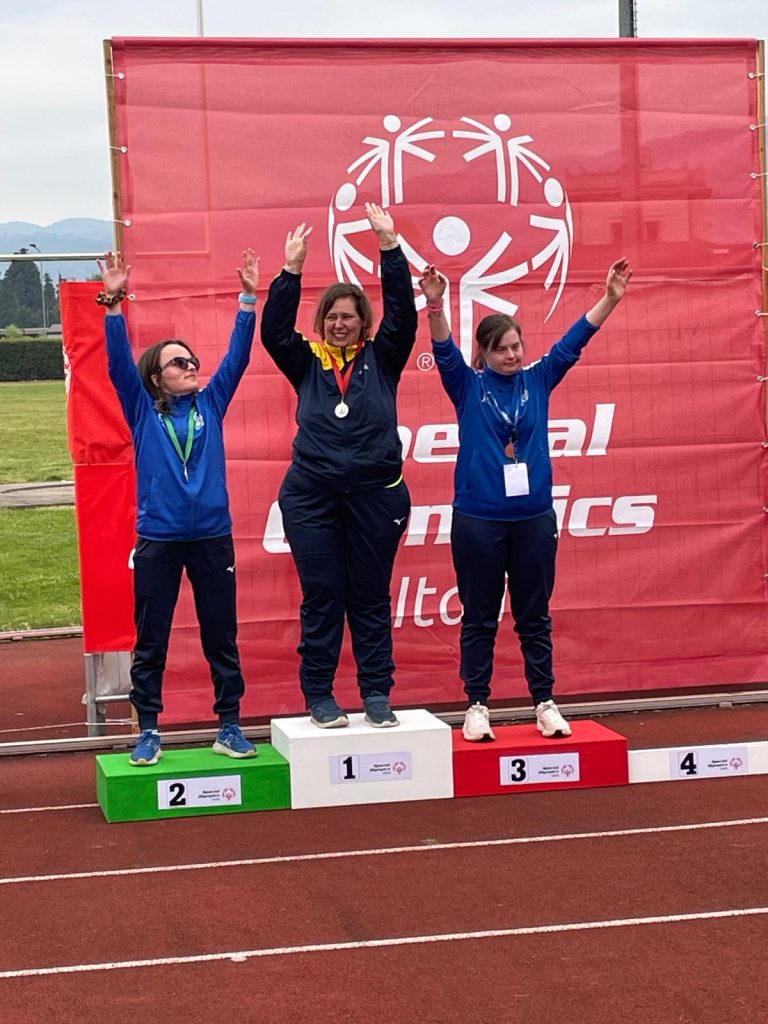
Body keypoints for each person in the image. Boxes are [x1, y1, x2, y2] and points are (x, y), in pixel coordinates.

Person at [420, 258, 633, 741]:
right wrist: (435, 304)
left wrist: (610, 298)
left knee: (534, 616)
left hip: (534, 518)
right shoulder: (467, 386)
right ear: (485, 353)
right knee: (479, 617)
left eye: (517, 346)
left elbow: (574, 341)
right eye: (502, 349)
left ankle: (544, 703)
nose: (512, 355)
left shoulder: (538, 380)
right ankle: (477, 706)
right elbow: (444, 349)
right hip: (478, 520)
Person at [97, 249, 260, 765]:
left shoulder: (211, 403)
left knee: (221, 635)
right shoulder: (142, 411)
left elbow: (237, 359)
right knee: (152, 639)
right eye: (178, 362)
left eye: (192, 361)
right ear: (156, 376)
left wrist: (248, 300)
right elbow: (118, 365)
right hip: (159, 539)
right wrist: (113, 306)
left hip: (212, 537)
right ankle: (149, 729)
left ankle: (229, 725)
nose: (190, 367)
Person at [260, 204, 417, 729]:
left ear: (363, 322)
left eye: (348, 316)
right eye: (331, 316)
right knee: (323, 594)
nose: (339, 323)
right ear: (321, 322)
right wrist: (291, 271)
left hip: (377, 494)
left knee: (369, 597)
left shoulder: (384, 356)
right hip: (313, 497)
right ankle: (320, 696)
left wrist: (390, 248)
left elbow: (404, 314)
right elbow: (273, 332)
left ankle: (376, 693)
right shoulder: (307, 359)